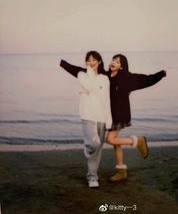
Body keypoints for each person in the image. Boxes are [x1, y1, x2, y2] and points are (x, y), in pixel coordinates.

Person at [60, 53, 166, 182]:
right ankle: (121, 170)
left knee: (110, 139)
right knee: (116, 143)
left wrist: (161, 74)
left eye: (117, 61)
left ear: (122, 66)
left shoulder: (126, 78)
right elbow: (82, 71)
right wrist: (64, 64)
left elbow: (146, 80)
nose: (113, 62)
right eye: (113, 60)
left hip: (120, 115)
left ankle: (138, 141)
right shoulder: (106, 76)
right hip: (110, 115)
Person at [60, 51, 112, 188]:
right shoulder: (82, 75)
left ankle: (92, 177)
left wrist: (108, 120)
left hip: (101, 116)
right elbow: (89, 86)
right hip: (88, 115)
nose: (91, 62)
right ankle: (87, 147)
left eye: (94, 60)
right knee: (93, 145)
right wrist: (89, 71)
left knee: (98, 149)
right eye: (88, 60)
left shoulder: (104, 78)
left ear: (99, 61)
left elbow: (106, 100)